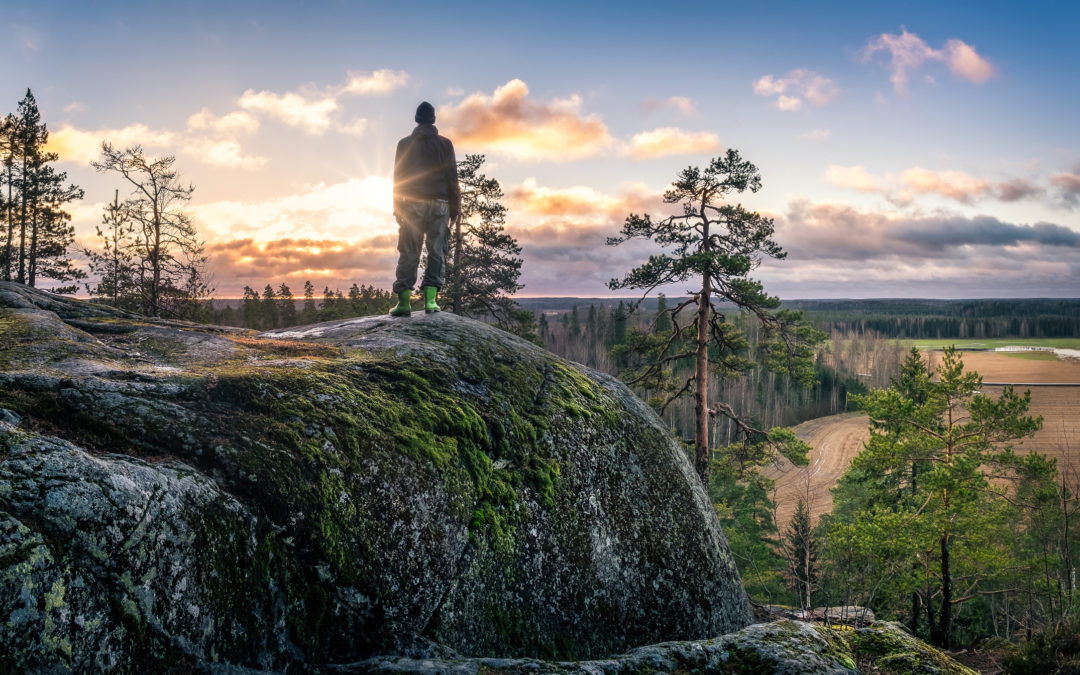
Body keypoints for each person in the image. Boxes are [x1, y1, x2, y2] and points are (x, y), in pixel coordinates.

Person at [390, 101, 461, 316]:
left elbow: (398, 179)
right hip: (440, 205)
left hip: (412, 205)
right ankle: (431, 302)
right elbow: (452, 178)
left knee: (409, 251)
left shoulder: (404, 144)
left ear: (416, 119)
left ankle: (403, 304)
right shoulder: (445, 144)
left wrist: (397, 207)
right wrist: (455, 210)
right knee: (436, 252)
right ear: (433, 120)